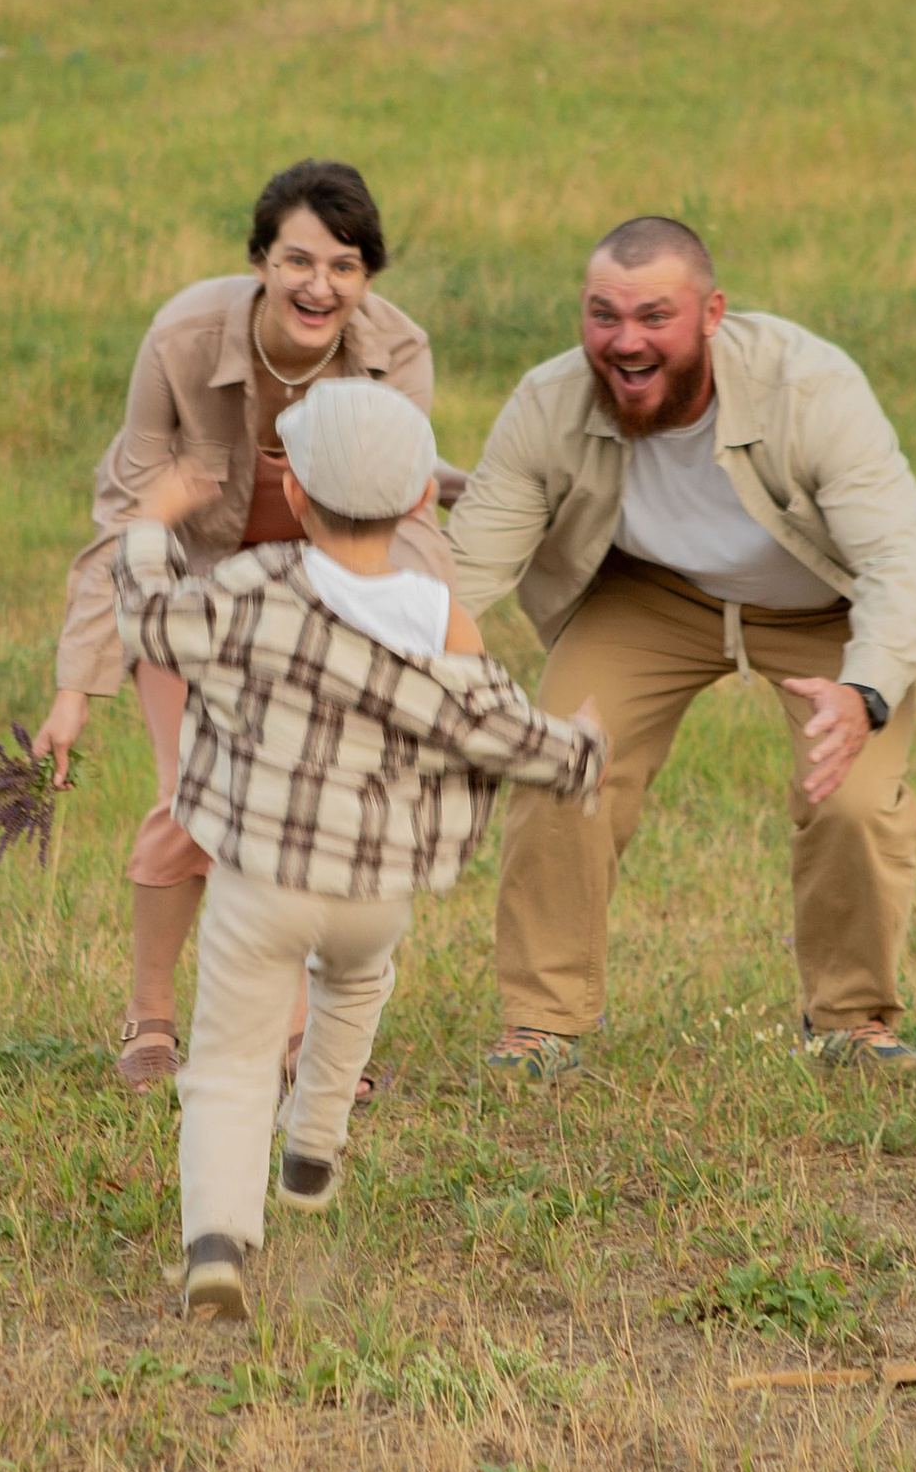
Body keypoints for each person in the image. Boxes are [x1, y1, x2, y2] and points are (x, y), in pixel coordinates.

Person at [445, 216, 916, 1082]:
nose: (625, 341)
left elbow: (898, 564)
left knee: (854, 800)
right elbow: (464, 568)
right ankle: (541, 1026)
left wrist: (864, 694)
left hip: (817, 603)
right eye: (603, 315)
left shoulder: (811, 388)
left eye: (654, 316)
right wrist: (377, 670)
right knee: (562, 759)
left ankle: (849, 1022)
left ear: (712, 313)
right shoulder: (548, 401)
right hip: (651, 595)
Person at [111, 381, 604, 1317]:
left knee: (229, 1059)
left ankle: (216, 1242)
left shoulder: (254, 588)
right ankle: (314, 1143)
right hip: (375, 888)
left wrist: (149, 523)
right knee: (353, 990)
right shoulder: (437, 613)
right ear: (420, 499)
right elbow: (496, 725)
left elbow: (152, 621)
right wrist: (580, 744)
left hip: (262, 881)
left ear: (294, 494)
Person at [39, 161, 452, 1091]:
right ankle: (150, 1021)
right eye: (298, 260)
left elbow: (407, 515)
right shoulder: (183, 339)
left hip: (316, 602)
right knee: (195, 796)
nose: (320, 286)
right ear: (261, 261)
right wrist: (75, 689)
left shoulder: (396, 353)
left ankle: (295, 1040)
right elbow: (127, 517)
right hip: (189, 595)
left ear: (368, 277)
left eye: (345, 267)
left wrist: (419, 648)